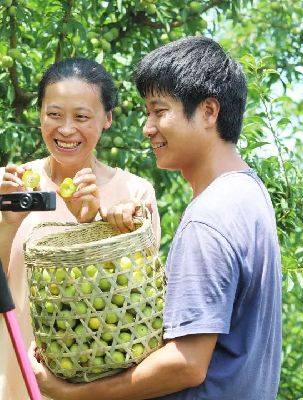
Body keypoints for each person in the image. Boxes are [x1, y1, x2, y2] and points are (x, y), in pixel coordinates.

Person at [29, 36, 282, 399]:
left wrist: (72, 394)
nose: (148, 127)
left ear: (209, 112)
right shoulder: (248, 194)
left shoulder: (208, 218)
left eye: (159, 111)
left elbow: (186, 364)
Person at [0, 57, 161, 399]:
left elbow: (133, 314)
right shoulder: (6, 185)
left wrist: (91, 225)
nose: (66, 129)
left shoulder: (134, 196)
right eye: (54, 114)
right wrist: (7, 223)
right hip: (6, 384)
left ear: (107, 118)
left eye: (82, 117)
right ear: (40, 114)